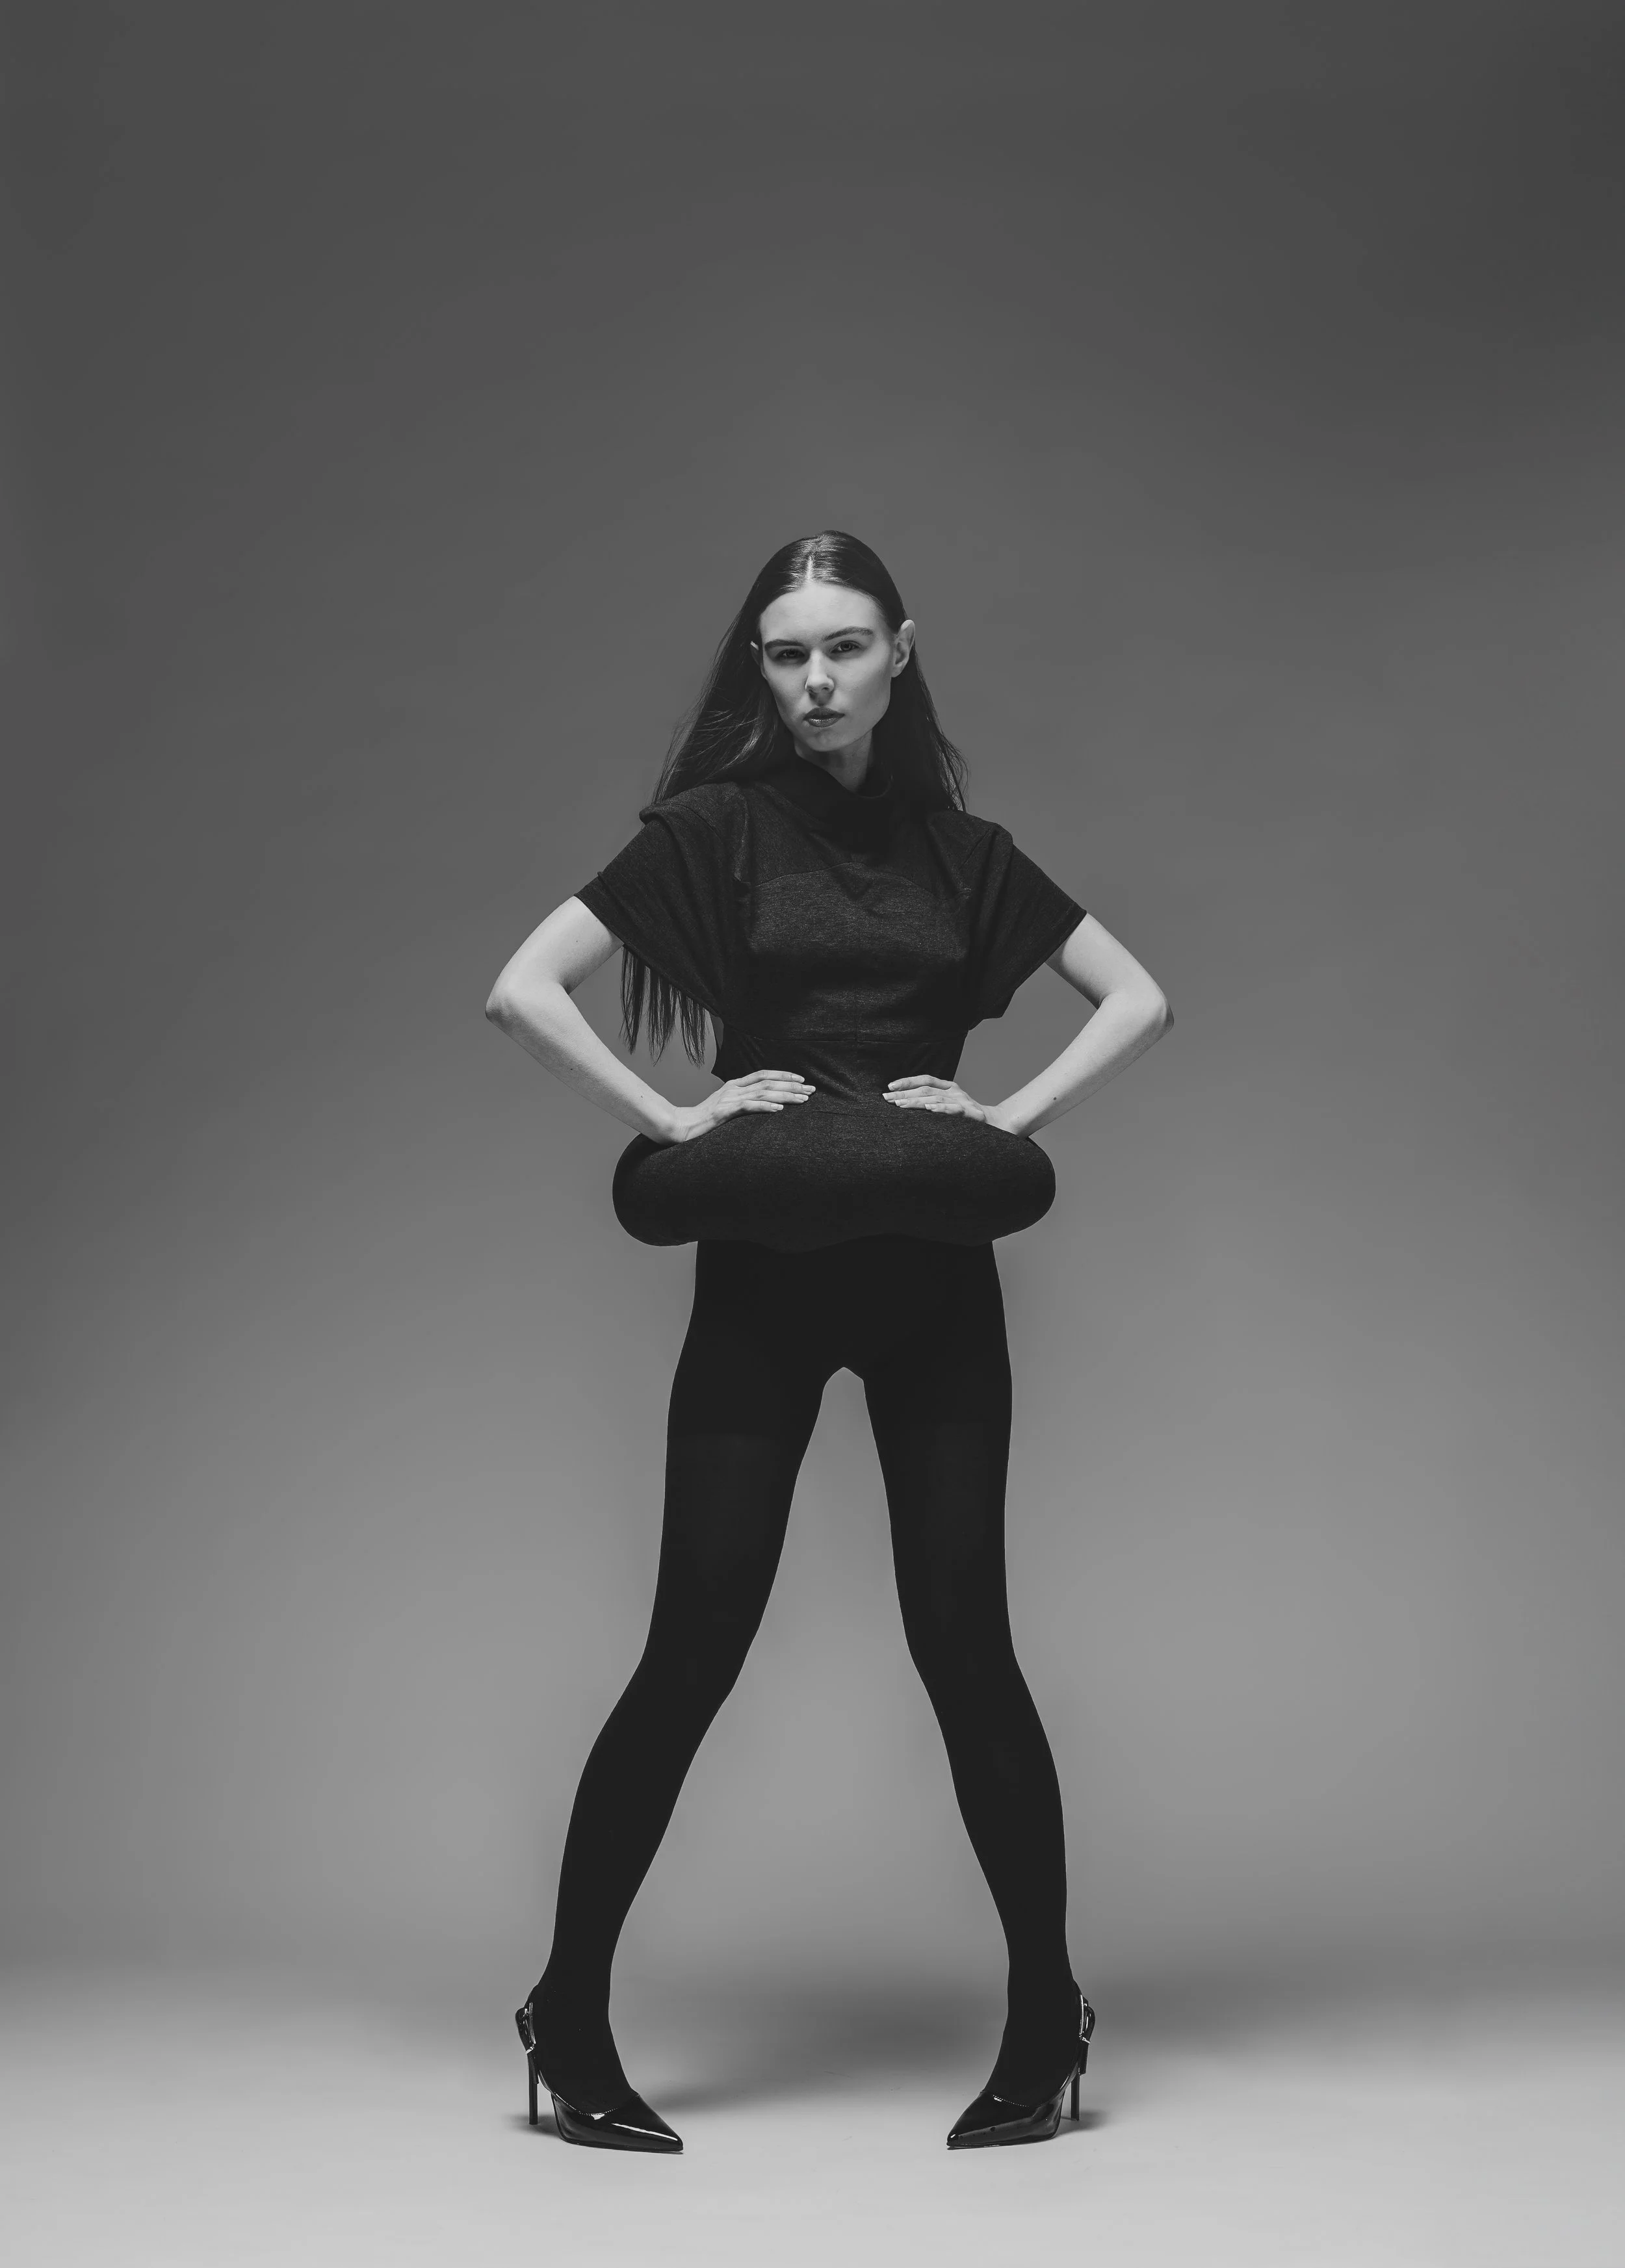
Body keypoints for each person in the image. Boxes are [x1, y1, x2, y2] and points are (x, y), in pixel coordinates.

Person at [486, 531, 1172, 2154]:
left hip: (933, 1286)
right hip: (763, 1281)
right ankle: (566, 2014)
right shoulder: (715, 834)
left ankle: (1040, 2020)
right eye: (786, 655)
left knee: (965, 1648)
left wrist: (997, 1116)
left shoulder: (962, 853)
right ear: (763, 670)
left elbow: (1135, 995)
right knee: (693, 1645)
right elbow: (522, 988)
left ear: (897, 652)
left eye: (845, 648)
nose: (813, 682)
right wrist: (674, 1115)